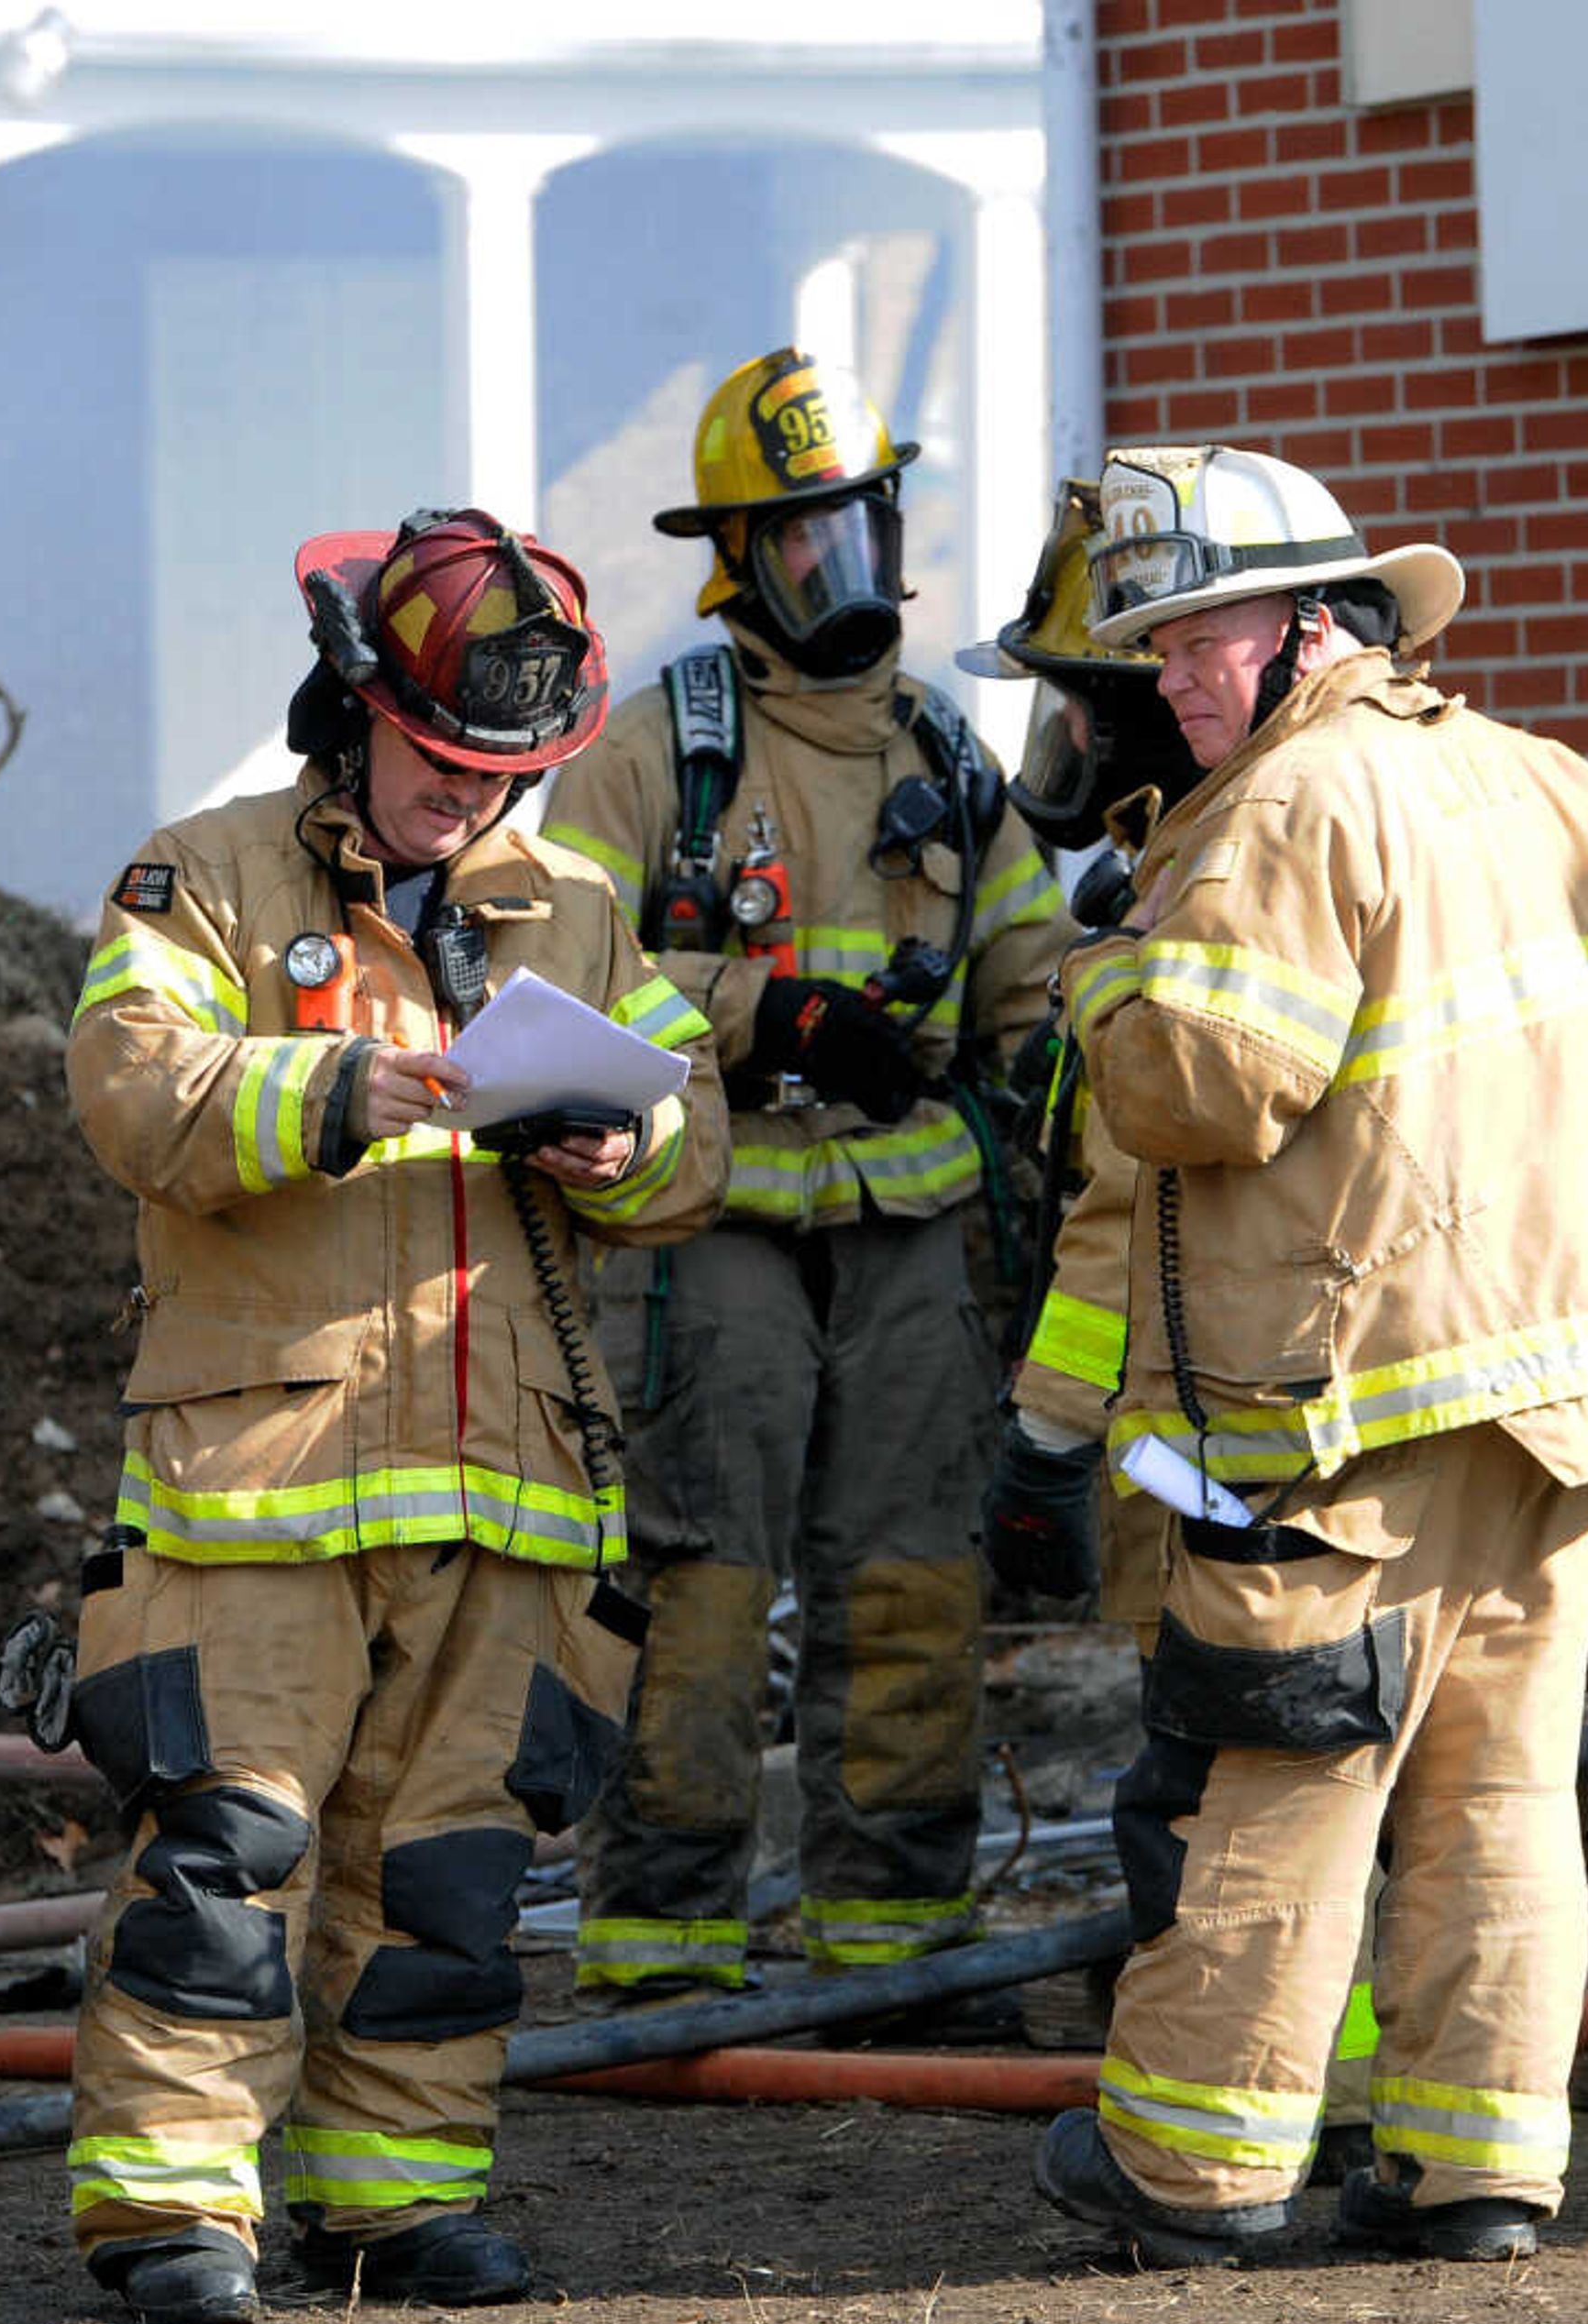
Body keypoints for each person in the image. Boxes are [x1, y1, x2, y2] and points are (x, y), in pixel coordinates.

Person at [1024, 446, 1588, 2268]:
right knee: (1497, 1792)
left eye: (1191, 640)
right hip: (1573, 1409)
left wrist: (1091, 982)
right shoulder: (1539, 782)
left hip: (1359, 1404)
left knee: (1287, 1785)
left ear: (1313, 625)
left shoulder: (1278, 809)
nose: (1161, 680)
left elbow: (1210, 1084)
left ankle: (1195, 2178)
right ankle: (1475, 2173)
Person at [60, 507, 726, 2324]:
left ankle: (393, 2206)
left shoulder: (572, 906)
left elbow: (697, 1132)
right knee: (229, 1861)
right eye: (444, 763)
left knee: (445, 1876)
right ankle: (175, 2215)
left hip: (500, 1485)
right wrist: (349, 1084)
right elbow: (134, 1094)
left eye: (508, 771)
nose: (472, 800)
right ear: (356, 712)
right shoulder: (199, 875)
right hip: (261, 1481)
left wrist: (628, 1140)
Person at [540, 347, 1075, 2021]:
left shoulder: (949, 754)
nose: (842, 569)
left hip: (916, 1229)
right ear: (737, 560)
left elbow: (1028, 979)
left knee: (916, 1579)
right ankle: (660, 1950)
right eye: (803, 540)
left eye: (860, 526)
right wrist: (770, 1011)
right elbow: (549, 982)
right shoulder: (652, 760)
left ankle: (892, 1948)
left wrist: (1089, 1062)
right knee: (699, 1579)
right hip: (722, 1230)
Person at [967, 479, 1382, 2184]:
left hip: (1262, 1413)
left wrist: (1051, 1439)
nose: (1074, 729)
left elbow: (1135, 1185)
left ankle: (1245, 2135)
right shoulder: (1299, 828)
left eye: (1093, 687)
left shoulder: (1232, 870)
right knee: (1371, 1792)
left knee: (1237, 1796)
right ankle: (1375, 2123)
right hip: (1317, 1405)